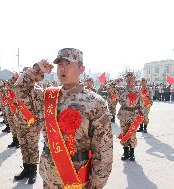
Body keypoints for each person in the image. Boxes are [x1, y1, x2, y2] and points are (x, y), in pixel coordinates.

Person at [14, 48, 113, 188]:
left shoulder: (95, 102)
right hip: (49, 177)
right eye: (60, 64)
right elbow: (19, 91)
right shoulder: (47, 97)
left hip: (76, 178)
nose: (63, 69)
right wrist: (37, 69)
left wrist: (97, 184)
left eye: (68, 64)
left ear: (81, 69)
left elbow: (104, 150)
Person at [108, 72, 144, 161]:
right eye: (128, 78)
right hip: (124, 113)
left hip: (134, 114)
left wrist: (141, 114)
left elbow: (141, 104)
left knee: (132, 134)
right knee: (124, 133)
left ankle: (132, 153)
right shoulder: (121, 90)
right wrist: (117, 81)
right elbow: (109, 87)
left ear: (134, 80)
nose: (129, 80)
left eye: (131, 78)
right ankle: (125, 152)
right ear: (125, 80)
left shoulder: (138, 91)